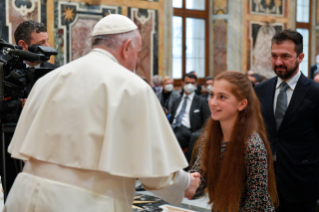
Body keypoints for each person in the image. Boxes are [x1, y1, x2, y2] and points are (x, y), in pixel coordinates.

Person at [3, 14, 201, 212]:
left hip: (25, 196)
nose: (136, 60)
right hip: (82, 202)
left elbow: (23, 146)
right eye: (137, 52)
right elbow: (157, 172)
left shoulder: (49, 79)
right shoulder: (131, 87)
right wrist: (186, 183)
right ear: (127, 47)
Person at [190, 71, 278, 212]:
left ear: (242, 104)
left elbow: (256, 202)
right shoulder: (209, 138)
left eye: (222, 97)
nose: (212, 102)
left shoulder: (252, 145)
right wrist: (184, 180)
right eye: (212, 95)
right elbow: (198, 181)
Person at [255, 29, 319, 212]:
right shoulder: (261, 90)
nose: (278, 62)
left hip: (301, 184)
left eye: (285, 56)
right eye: (274, 56)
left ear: (300, 57)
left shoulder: (315, 93)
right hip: (265, 183)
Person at [170, 73, 210, 158]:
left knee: (172, 138)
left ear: (196, 84)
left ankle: (184, 166)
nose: (190, 85)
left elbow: (208, 121)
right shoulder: (176, 101)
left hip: (188, 131)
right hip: (173, 128)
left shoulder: (201, 101)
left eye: (192, 83)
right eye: (187, 83)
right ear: (182, 83)